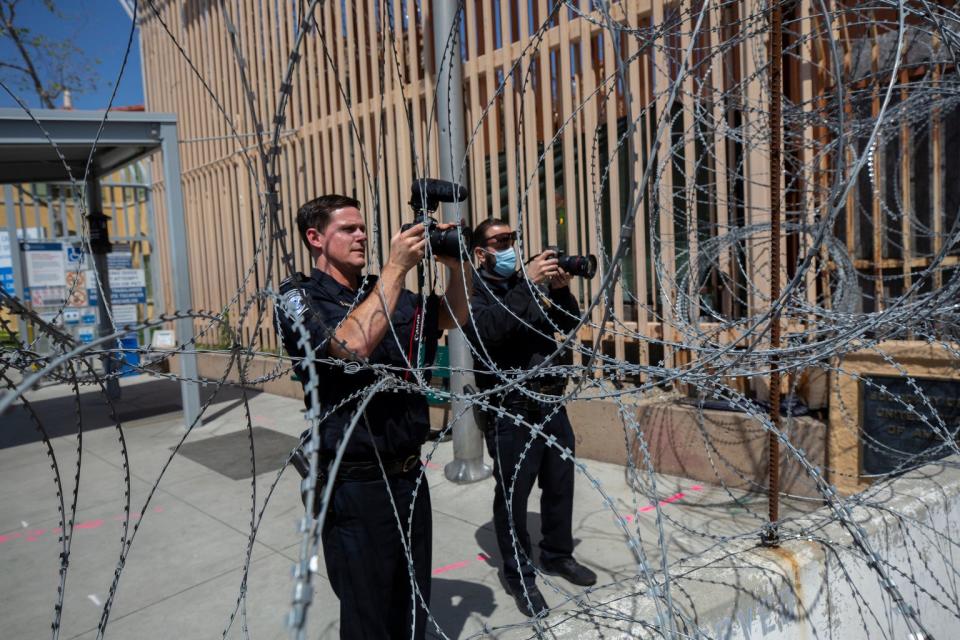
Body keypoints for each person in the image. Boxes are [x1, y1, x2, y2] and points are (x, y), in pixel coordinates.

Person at [276, 194, 471, 639]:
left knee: (412, 601)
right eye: (348, 229)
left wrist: (457, 266)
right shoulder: (299, 297)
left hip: (407, 475)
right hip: (355, 484)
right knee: (370, 612)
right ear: (315, 238)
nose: (361, 235)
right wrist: (396, 269)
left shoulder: (381, 290)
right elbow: (349, 346)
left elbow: (450, 316)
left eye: (363, 227)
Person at [464, 217, 597, 618]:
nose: (508, 247)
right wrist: (527, 286)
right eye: (499, 240)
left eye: (512, 239)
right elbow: (492, 331)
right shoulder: (473, 292)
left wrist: (561, 292)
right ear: (480, 252)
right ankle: (519, 572)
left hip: (550, 403)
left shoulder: (531, 287)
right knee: (513, 496)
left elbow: (568, 325)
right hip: (511, 410)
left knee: (560, 485)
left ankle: (557, 553)